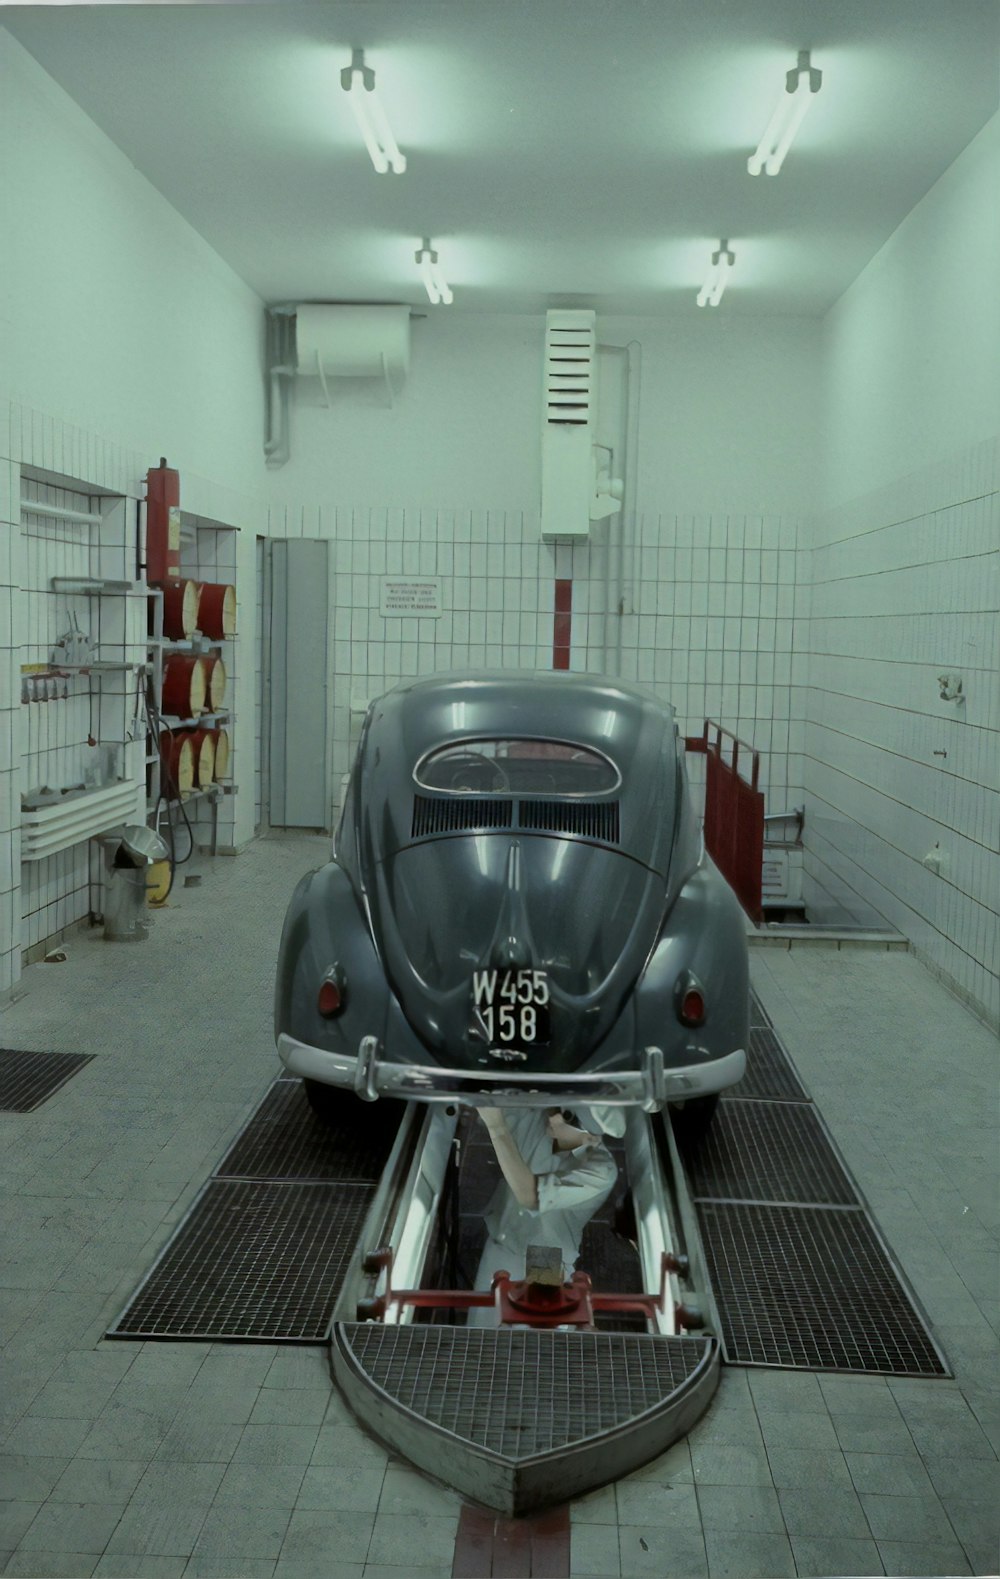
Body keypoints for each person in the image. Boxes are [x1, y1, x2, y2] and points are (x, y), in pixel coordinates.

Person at [468, 1104, 623, 1326]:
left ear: (589, 1136)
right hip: (502, 1242)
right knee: (481, 1335)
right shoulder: (541, 1121)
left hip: (545, 1256)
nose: (552, 1116)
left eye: (565, 1117)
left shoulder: (601, 1170)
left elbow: (529, 1196)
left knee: (538, 1341)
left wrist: (497, 1126)